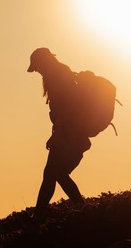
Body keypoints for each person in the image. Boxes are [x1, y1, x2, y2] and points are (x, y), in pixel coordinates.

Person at [27, 48, 91, 222]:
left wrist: (57, 135)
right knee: (57, 174)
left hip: (69, 135)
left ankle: (37, 219)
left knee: (51, 174)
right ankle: (82, 208)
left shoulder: (57, 76)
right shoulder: (59, 74)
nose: (37, 71)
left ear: (44, 61)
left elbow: (64, 110)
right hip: (71, 134)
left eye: (37, 66)